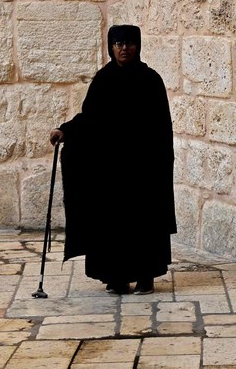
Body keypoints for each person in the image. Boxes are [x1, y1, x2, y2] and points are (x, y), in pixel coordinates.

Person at [49, 24, 175, 295]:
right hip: (111, 168)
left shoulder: (150, 80)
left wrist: (159, 165)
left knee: (143, 222)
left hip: (143, 167)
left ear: (137, 46)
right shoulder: (103, 80)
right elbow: (89, 117)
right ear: (111, 47)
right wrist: (65, 130)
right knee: (112, 223)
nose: (124, 48)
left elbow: (162, 127)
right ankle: (116, 276)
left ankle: (145, 277)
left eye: (129, 43)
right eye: (119, 43)